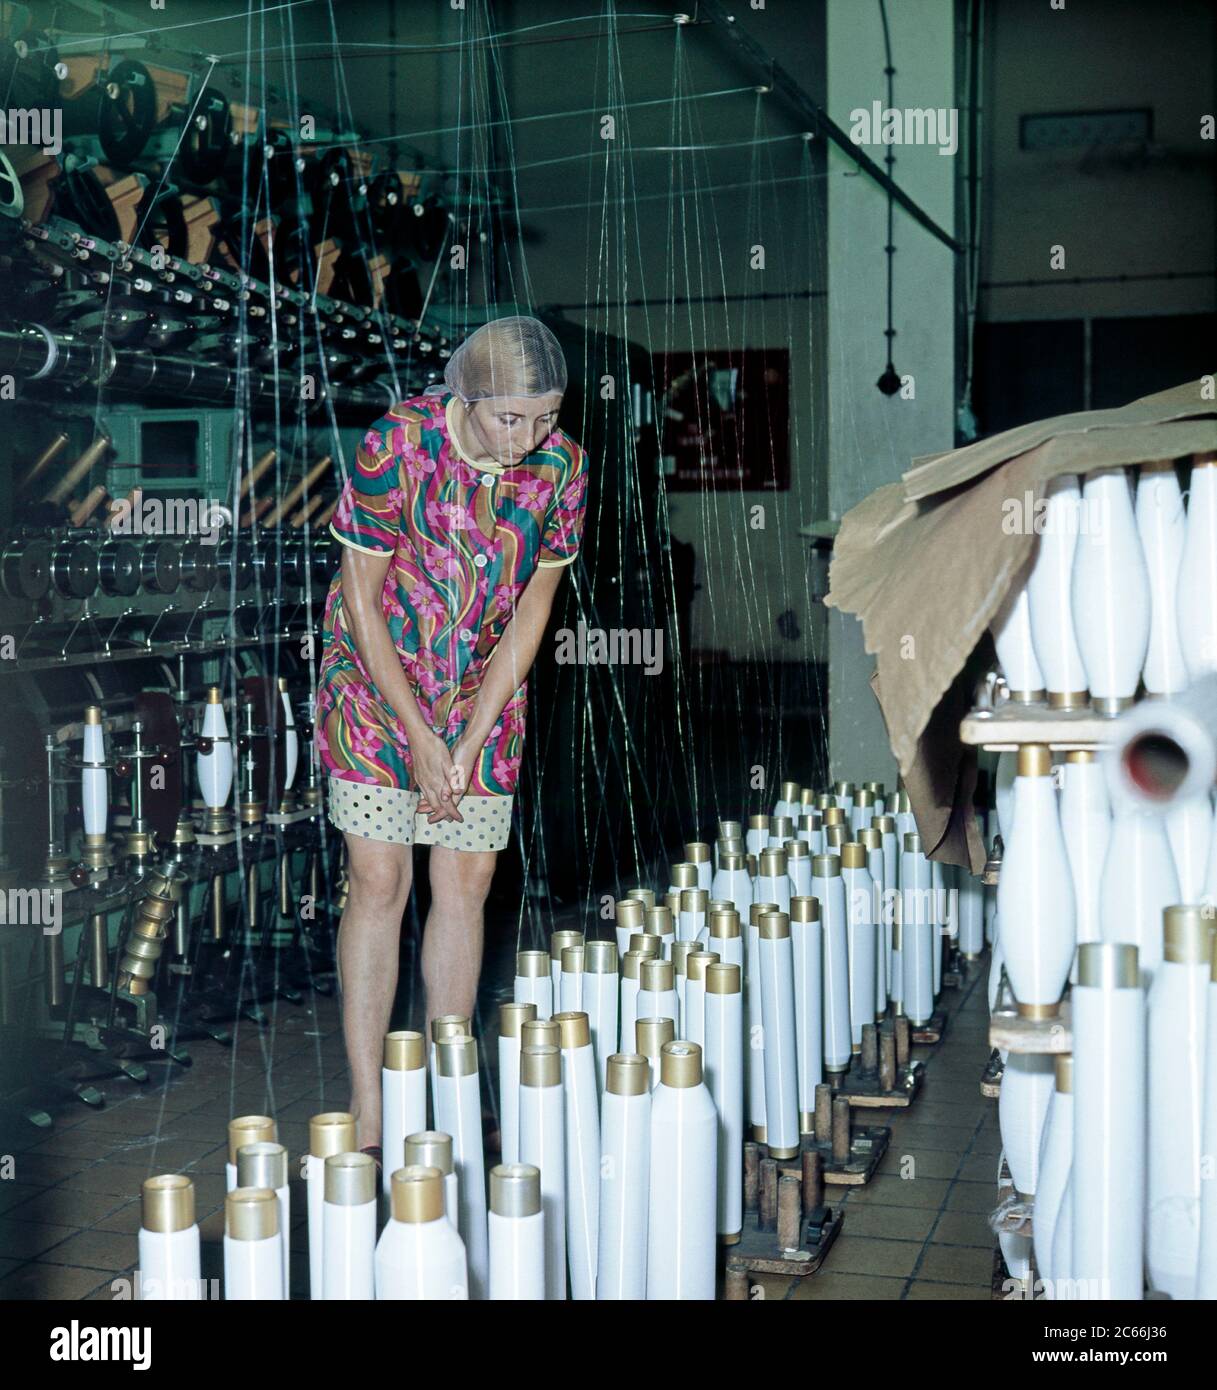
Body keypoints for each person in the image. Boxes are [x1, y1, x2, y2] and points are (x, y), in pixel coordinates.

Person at [315, 316, 588, 1158]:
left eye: (545, 416)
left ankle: (447, 1095)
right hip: (373, 686)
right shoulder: (395, 445)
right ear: (462, 398)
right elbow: (361, 600)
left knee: (464, 883)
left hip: (483, 697)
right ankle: (369, 1110)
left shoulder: (560, 468)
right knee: (380, 880)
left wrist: (466, 741)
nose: (530, 437)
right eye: (511, 419)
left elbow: (534, 609)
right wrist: (417, 735)